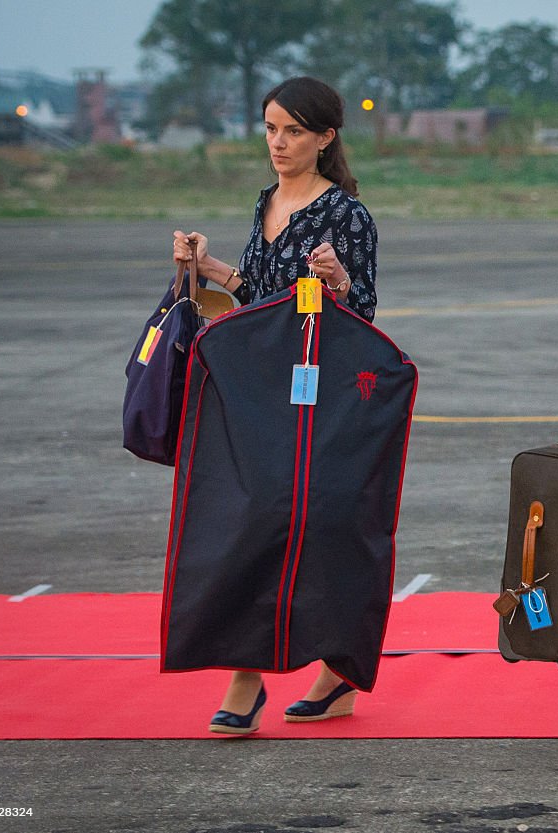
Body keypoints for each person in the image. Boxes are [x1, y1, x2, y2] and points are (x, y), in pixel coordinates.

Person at [170, 76, 378, 734]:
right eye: (270, 128)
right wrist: (211, 268)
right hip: (256, 388)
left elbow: (363, 316)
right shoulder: (266, 200)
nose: (278, 142)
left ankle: (279, 676)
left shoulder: (346, 214)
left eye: (292, 130)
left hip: (317, 399)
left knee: (310, 530)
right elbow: (258, 292)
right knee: (253, 522)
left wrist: (340, 281)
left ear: (325, 137)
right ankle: (271, 674)